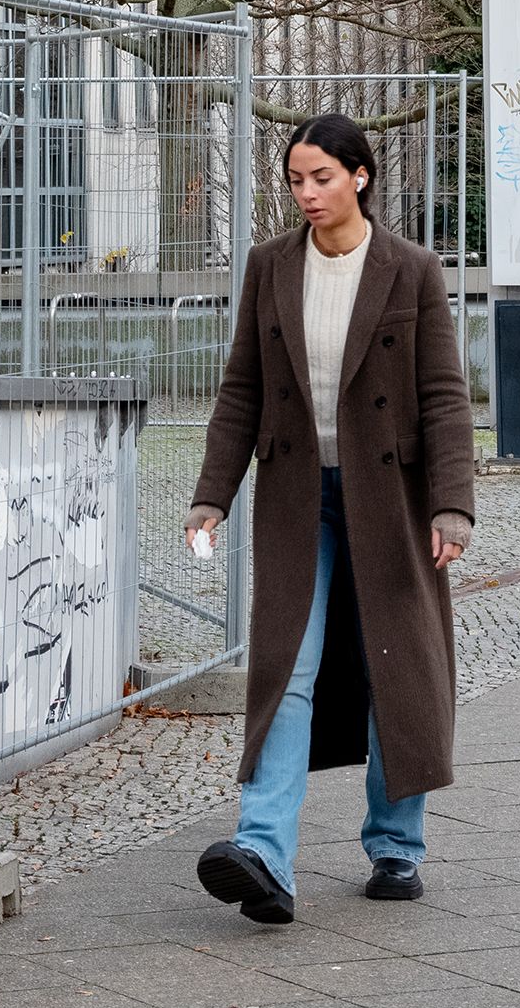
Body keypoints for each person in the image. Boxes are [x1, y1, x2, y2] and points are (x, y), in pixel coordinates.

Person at [187, 112, 476, 924]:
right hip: (297, 497)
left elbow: (443, 396)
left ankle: (394, 847)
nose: (306, 194)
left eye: (320, 177)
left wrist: (453, 504)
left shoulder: (409, 269)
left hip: (390, 501)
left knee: (397, 667)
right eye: (294, 180)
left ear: (360, 176)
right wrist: (213, 492)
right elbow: (241, 386)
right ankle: (263, 853)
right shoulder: (269, 265)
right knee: (288, 668)